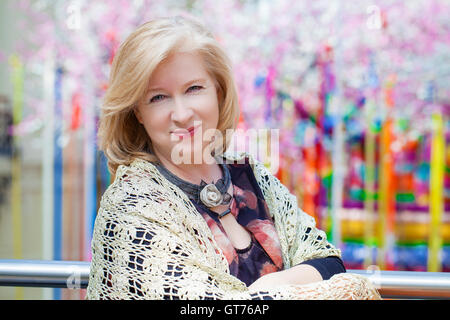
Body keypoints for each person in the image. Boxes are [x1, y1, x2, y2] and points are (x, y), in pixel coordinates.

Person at [86, 15, 381, 300]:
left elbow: (328, 262)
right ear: (137, 112)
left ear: (219, 90)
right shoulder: (132, 206)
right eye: (158, 97)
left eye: (193, 89)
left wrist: (272, 284)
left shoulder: (249, 176)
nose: (182, 113)